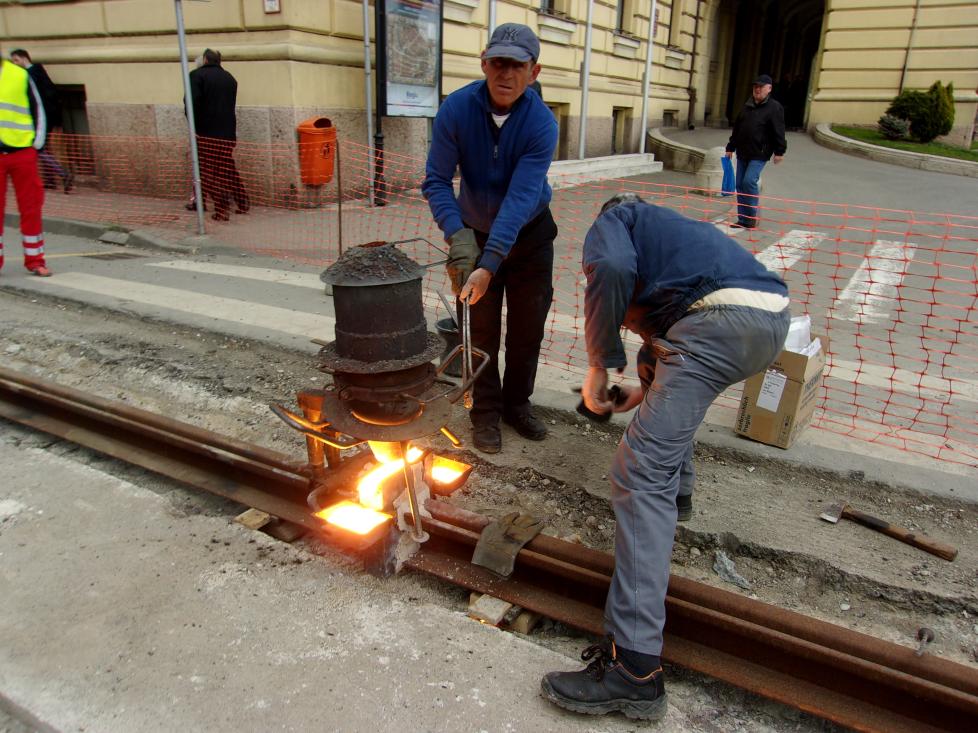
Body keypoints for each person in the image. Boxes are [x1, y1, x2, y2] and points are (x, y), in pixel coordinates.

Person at [541, 193, 790, 721]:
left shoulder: (617, 220)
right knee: (667, 425)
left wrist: (598, 364)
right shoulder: (675, 245)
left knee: (639, 472)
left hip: (718, 322)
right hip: (769, 322)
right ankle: (677, 501)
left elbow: (609, 266)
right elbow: (666, 344)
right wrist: (637, 392)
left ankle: (633, 670)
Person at [422, 23, 558, 454]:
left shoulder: (541, 124)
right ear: (484, 64)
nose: (506, 73)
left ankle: (517, 404)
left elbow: (521, 198)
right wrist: (459, 237)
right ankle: (484, 412)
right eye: (498, 62)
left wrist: (490, 261)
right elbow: (436, 181)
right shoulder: (457, 109)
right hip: (475, 237)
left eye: (517, 65)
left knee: (526, 331)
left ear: (533, 72)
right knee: (479, 333)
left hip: (530, 238)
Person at [0, 52, 51, 277]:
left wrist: (36, 146)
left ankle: (35, 260)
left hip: (22, 152)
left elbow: (38, 108)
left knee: (31, 207)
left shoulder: (19, 74)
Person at [188, 49, 248, 221]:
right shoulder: (230, 78)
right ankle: (242, 201)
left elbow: (192, 104)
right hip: (227, 133)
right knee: (227, 168)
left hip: (206, 133)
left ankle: (221, 207)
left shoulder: (197, 76)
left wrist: (194, 128)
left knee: (206, 172)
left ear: (205, 59)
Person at [725, 73, 786, 230]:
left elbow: (779, 131)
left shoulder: (774, 108)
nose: (757, 89)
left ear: (769, 88)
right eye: (755, 86)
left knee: (749, 181)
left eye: (761, 87)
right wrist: (730, 147)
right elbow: (738, 128)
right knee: (739, 184)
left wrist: (780, 151)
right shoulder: (747, 106)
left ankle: (753, 214)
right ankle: (743, 219)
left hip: (760, 152)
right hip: (743, 151)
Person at [9, 49, 73, 194]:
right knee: (42, 148)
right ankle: (50, 180)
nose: (14, 64)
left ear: (24, 58)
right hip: (40, 118)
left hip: (42, 118)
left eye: (16, 60)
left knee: (38, 148)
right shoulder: (33, 73)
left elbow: (42, 98)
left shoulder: (32, 74)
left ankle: (63, 174)